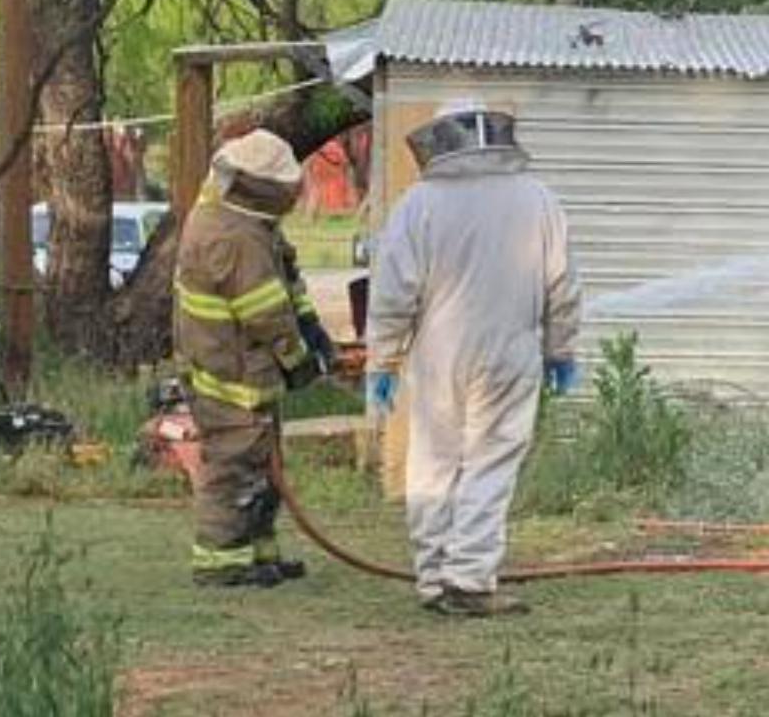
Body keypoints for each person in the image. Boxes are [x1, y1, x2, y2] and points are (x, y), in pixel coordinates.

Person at [365, 99, 581, 617]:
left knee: (433, 462)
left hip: (437, 356)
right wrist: (561, 350)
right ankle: (469, 579)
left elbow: (393, 293)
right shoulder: (536, 198)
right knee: (490, 462)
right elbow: (563, 286)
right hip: (510, 352)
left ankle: (434, 576)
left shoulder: (419, 203)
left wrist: (383, 360)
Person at [173, 129, 322, 588]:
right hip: (228, 373)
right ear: (259, 188)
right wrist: (298, 358)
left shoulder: (248, 224)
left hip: (240, 367)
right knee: (233, 466)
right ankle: (220, 562)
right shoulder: (232, 235)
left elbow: (285, 284)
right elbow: (264, 311)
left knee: (259, 463)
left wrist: (313, 327)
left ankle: (259, 553)